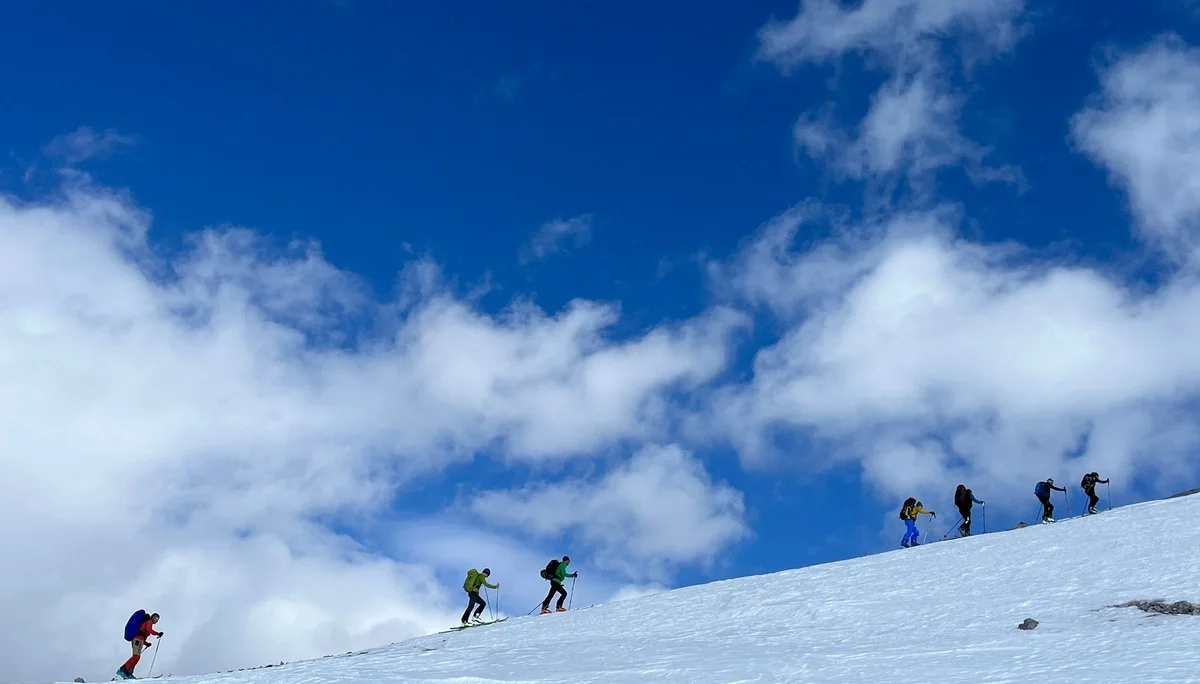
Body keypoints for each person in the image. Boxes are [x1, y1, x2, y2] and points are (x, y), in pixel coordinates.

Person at [117, 611, 163, 679]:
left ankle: (128, 673)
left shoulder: (148, 623)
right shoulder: (149, 621)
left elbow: (143, 636)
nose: (156, 620)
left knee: (137, 657)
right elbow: (149, 629)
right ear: (152, 617)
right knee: (136, 656)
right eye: (156, 618)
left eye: (157, 619)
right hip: (137, 640)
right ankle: (123, 669)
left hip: (139, 640)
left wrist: (146, 644)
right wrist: (158, 633)